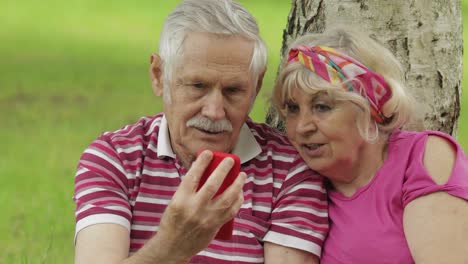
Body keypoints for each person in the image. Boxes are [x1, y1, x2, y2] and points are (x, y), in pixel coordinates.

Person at [73, 0, 329, 263]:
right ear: (159, 76)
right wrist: (173, 245)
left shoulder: (289, 170)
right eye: (197, 86)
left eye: (233, 91)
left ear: (257, 85)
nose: (215, 111)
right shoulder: (116, 159)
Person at [271, 27, 468, 263]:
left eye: (322, 107)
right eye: (293, 109)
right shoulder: (294, 183)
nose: (302, 126)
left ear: (368, 107)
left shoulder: (422, 158)